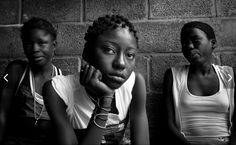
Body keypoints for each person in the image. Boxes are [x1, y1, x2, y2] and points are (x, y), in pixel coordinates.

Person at [43, 14, 150, 145]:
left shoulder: (134, 83)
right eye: (109, 50)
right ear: (87, 53)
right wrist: (105, 100)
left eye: (130, 55)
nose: (121, 63)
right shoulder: (58, 90)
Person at [163, 21, 236, 145]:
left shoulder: (229, 75)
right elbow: (168, 124)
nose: (189, 46)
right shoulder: (173, 76)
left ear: (213, 43)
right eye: (184, 43)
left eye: (195, 40)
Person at [0, 17, 62, 145]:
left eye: (41, 43)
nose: (34, 49)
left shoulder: (61, 79)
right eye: (29, 43)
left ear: (54, 45)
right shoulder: (16, 71)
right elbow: (2, 114)